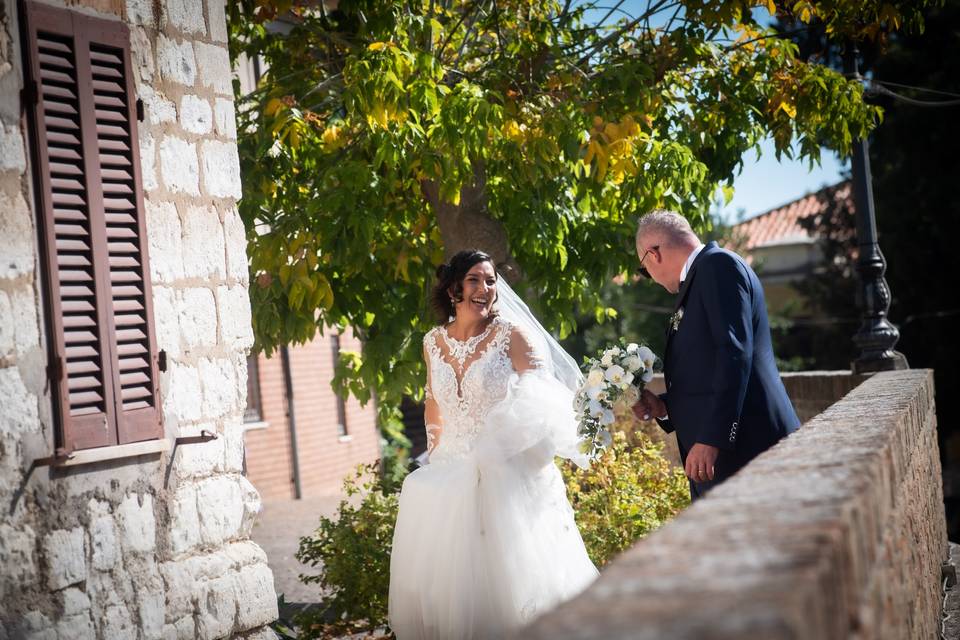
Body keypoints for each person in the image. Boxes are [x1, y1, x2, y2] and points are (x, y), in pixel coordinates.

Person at [388, 250, 598, 640]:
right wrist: (437, 455)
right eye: (475, 280)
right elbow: (434, 400)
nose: (485, 289)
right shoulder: (432, 341)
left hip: (507, 473)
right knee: (458, 584)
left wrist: (498, 447)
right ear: (453, 288)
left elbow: (543, 398)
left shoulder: (512, 335)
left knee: (514, 582)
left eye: (490, 280)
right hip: (451, 470)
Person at [632, 210, 801, 499]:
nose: (651, 278)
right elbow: (707, 369)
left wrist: (713, 437)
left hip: (748, 449)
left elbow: (734, 353)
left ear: (653, 254)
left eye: (644, 269)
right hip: (728, 456)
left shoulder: (718, 266)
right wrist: (664, 407)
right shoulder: (704, 275)